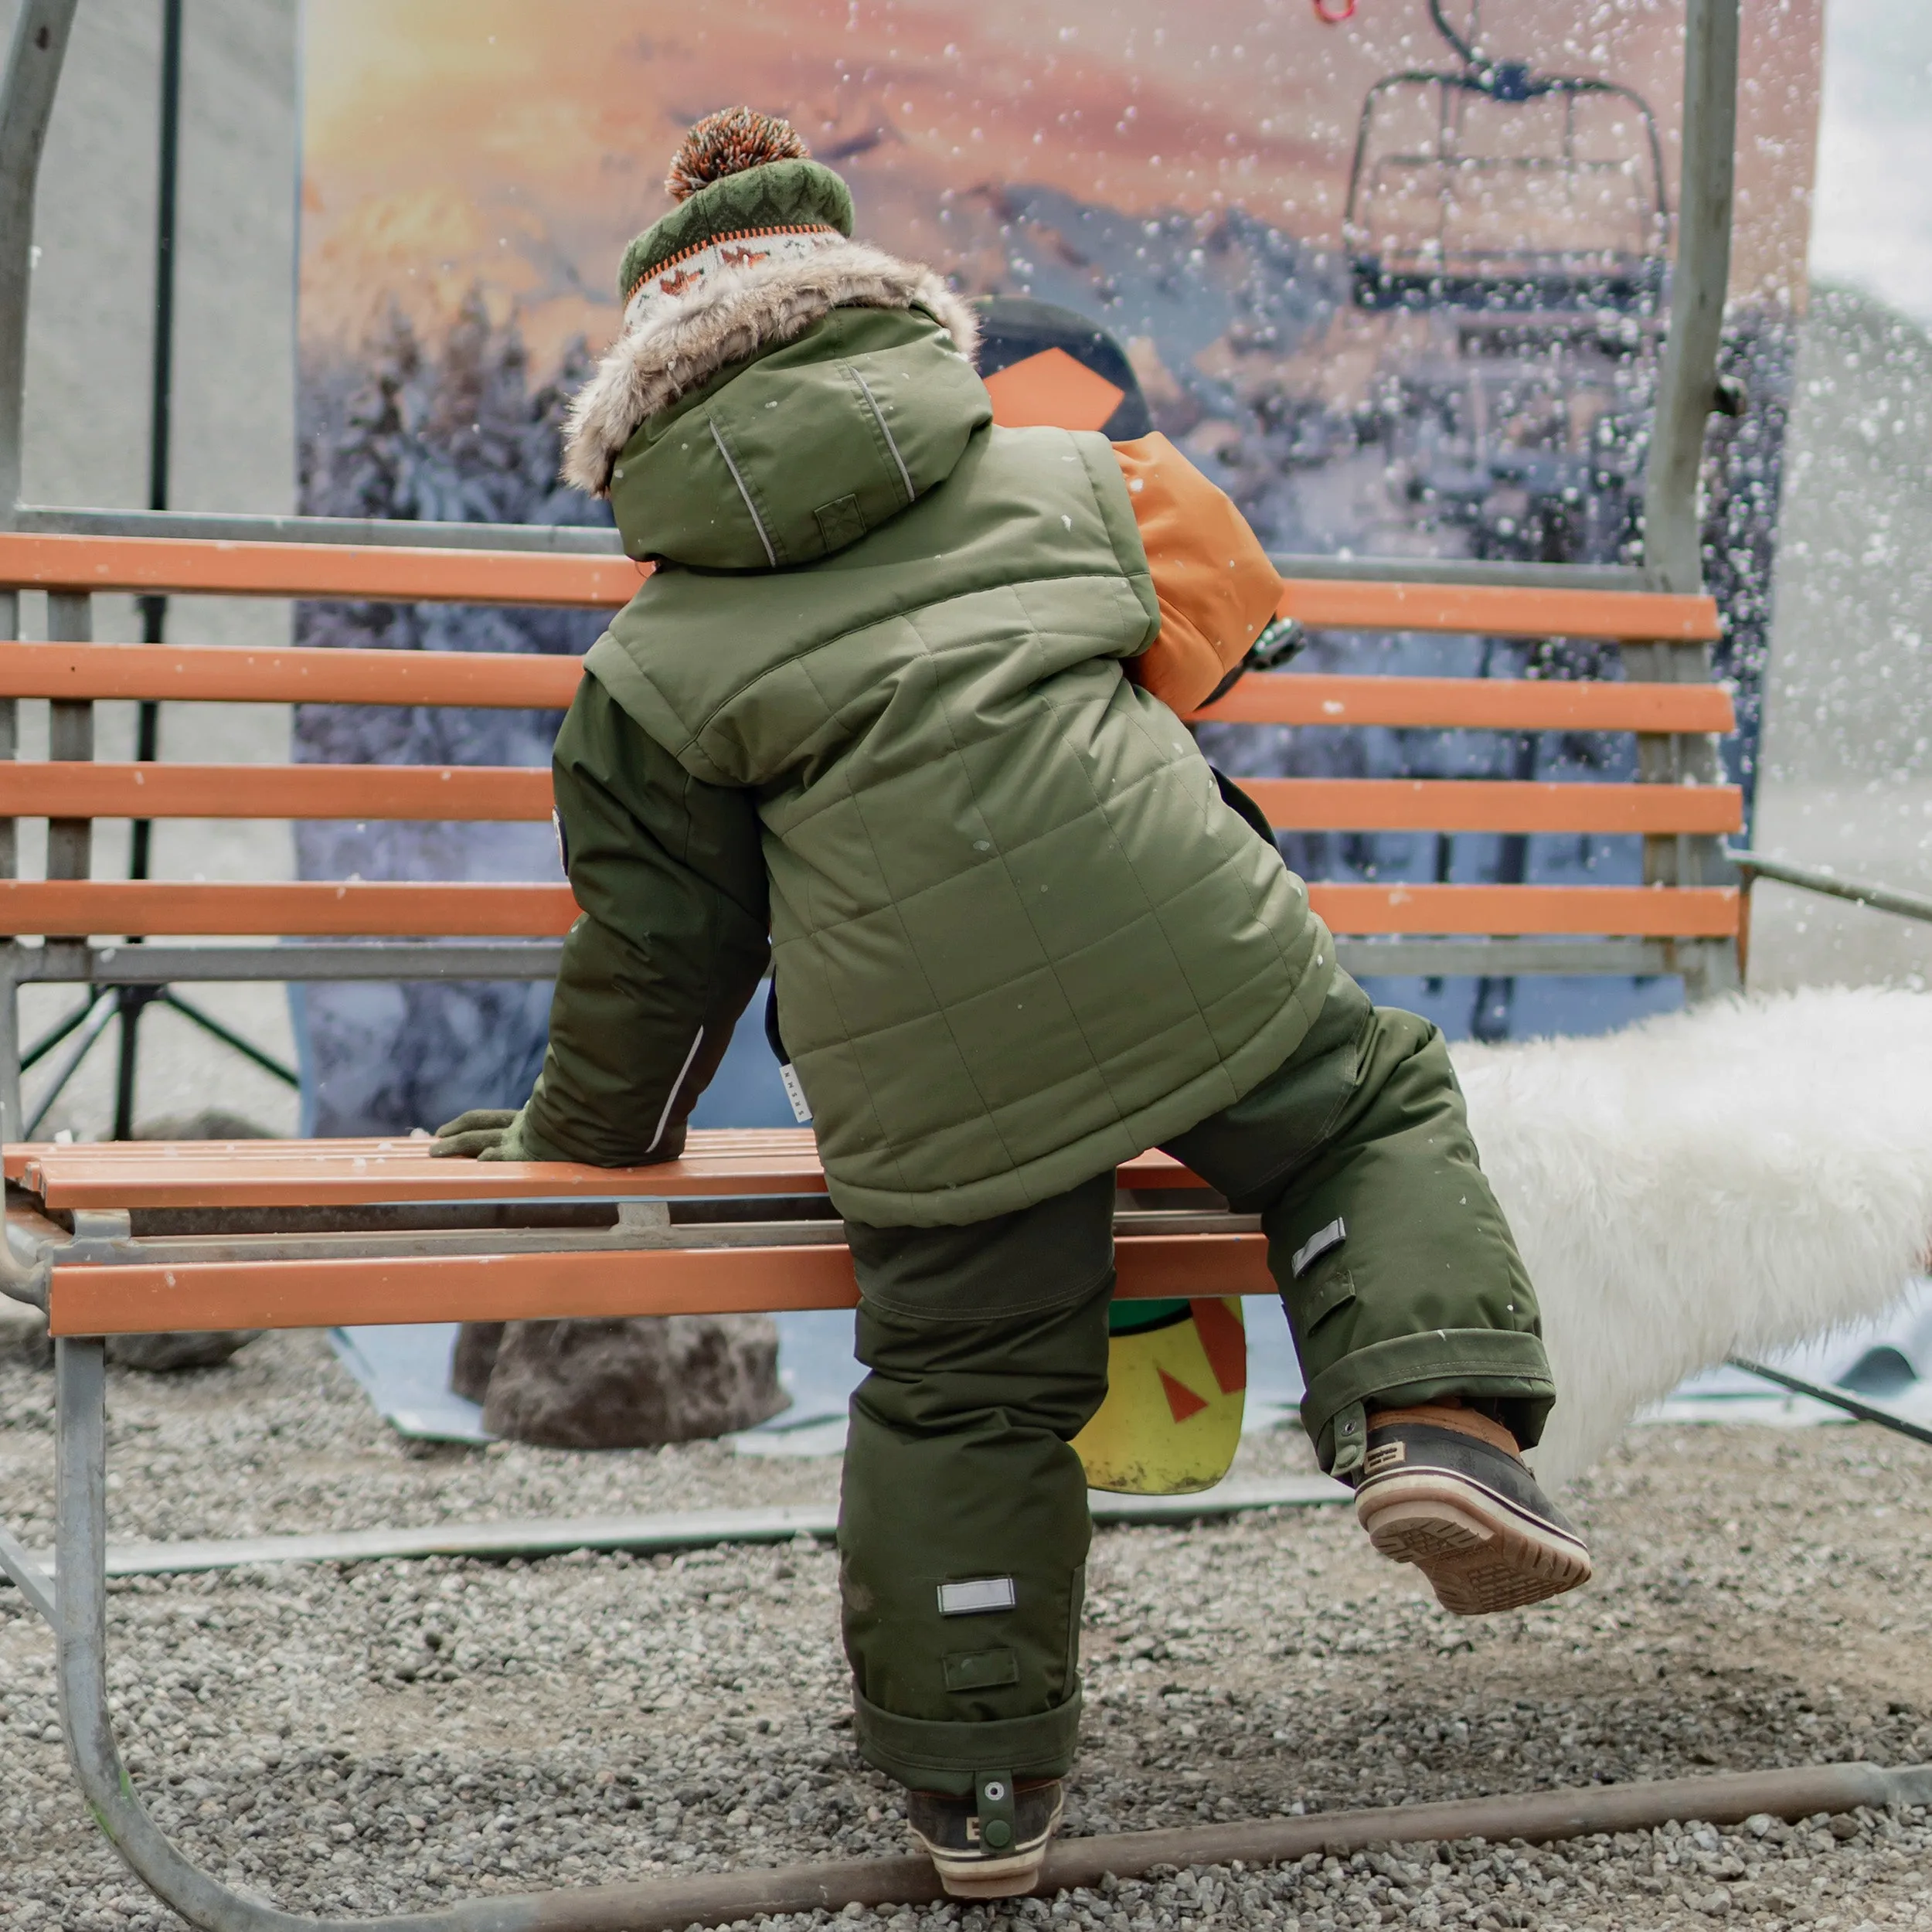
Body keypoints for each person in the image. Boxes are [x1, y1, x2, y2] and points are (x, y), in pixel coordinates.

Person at [432, 107, 1590, 1898]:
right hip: (1198, 962)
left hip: (933, 1082)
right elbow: (1227, 631)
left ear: (648, 418)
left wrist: (583, 1136)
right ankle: (1437, 1427)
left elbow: (660, 958)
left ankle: (979, 1788)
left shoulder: (650, 666)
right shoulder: (1071, 475)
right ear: (892, 329)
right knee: (1361, 1110)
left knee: (964, 1380)